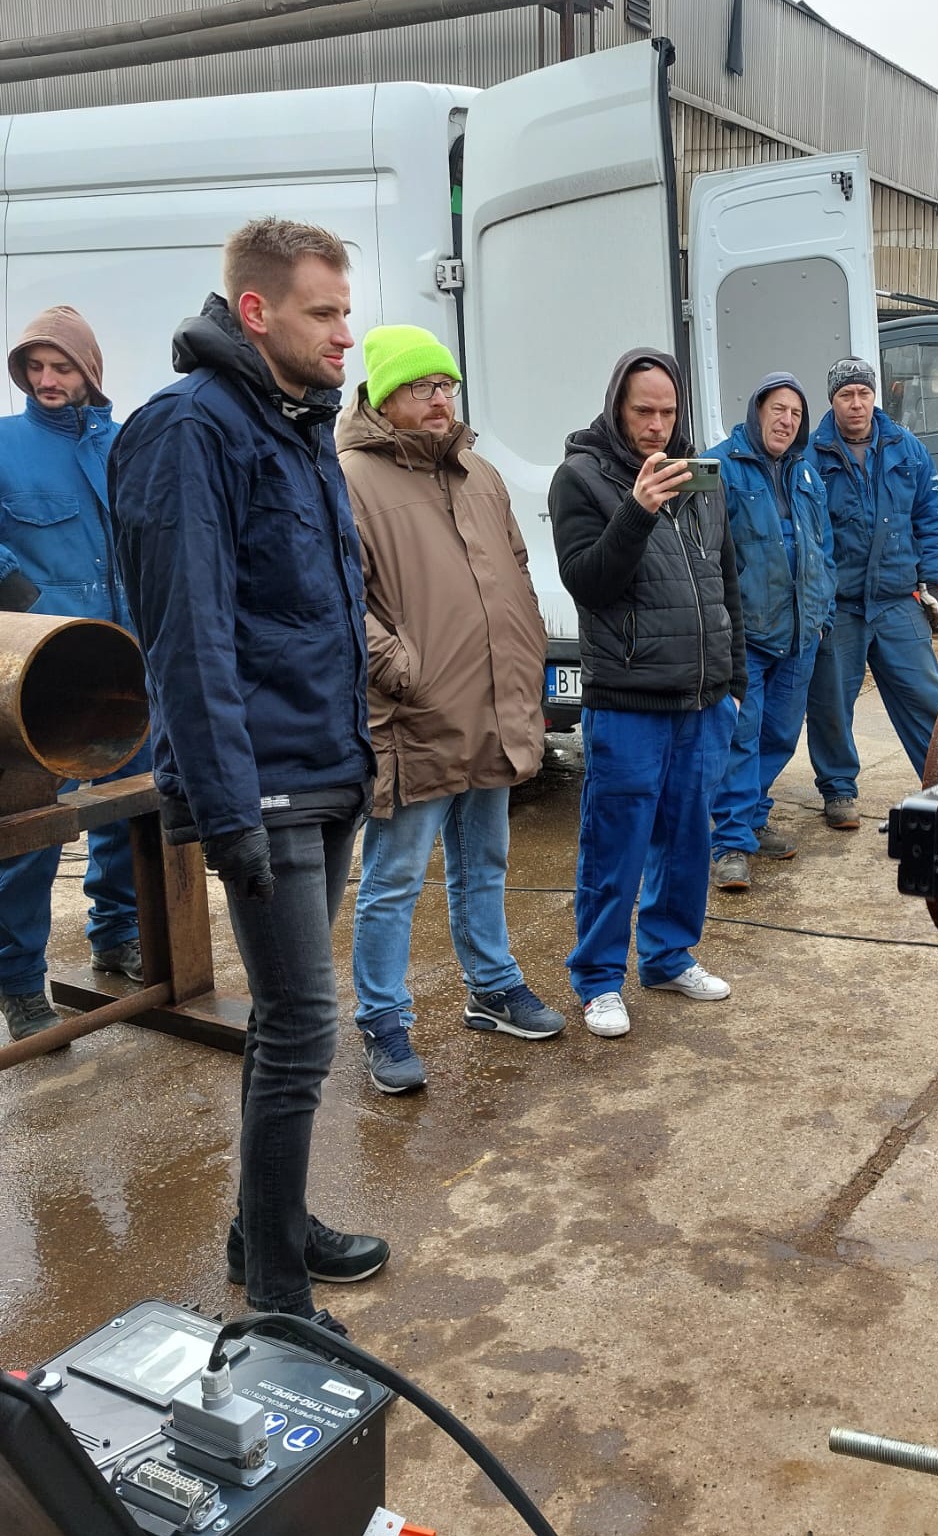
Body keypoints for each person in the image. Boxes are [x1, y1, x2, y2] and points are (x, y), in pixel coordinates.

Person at [110, 217, 386, 1331]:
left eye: (345, 309)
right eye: (325, 311)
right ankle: (273, 1290)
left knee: (286, 1026)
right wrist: (224, 809)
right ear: (259, 311)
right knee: (305, 1032)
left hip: (321, 769)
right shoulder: (188, 429)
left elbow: (314, 615)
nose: (345, 332)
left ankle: (262, 1225)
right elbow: (190, 640)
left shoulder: (296, 422)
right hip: (259, 784)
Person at [339, 325, 563, 1094]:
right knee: (395, 876)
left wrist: (526, 651)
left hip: (492, 704)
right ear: (383, 394)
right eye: (423, 386)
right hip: (415, 713)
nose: (441, 400)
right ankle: (383, 1019)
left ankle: (492, 987)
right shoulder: (349, 479)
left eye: (447, 386)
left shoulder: (481, 474)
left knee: (485, 860)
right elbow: (339, 600)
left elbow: (517, 572)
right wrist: (400, 667)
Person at [549, 349, 746, 1039]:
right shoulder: (580, 478)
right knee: (615, 845)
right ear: (617, 407)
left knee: (688, 838)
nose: (657, 425)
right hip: (628, 700)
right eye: (644, 411)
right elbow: (589, 582)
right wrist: (635, 510)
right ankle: (599, 979)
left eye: (668, 411)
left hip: (702, 701)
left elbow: (726, 585)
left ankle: (668, 956)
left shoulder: (702, 480)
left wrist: (734, 682)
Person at [0, 307, 150, 1046]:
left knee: (129, 810)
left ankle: (117, 935)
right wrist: (20, 604)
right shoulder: (3, 444)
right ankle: (22, 983)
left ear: (89, 372)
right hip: (41, 678)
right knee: (32, 835)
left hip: (129, 666)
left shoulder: (123, 447)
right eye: (35, 368)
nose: (47, 381)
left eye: (61, 367)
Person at [806, 357, 938, 831]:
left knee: (925, 697)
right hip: (841, 605)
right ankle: (839, 790)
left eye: (863, 393)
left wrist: (931, 581)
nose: (856, 403)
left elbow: (929, 516)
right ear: (833, 401)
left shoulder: (906, 449)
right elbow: (809, 534)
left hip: (895, 599)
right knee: (831, 701)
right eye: (846, 395)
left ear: (875, 397)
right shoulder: (812, 456)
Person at [706, 372, 835, 892]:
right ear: (757, 411)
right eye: (778, 409)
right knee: (740, 737)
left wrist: (822, 610)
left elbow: (823, 548)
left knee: (780, 734)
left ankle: (752, 817)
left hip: (800, 633)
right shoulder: (720, 468)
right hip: (746, 638)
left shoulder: (806, 473)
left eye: (797, 414)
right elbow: (704, 554)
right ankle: (731, 843)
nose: (787, 421)